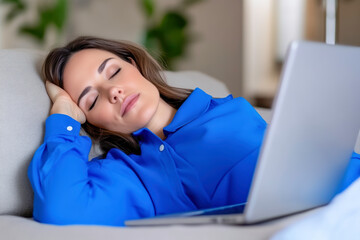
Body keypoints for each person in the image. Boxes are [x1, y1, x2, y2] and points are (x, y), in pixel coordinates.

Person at [27, 36, 268, 226]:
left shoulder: (229, 111)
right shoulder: (130, 174)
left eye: (114, 72)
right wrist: (64, 118)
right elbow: (60, 209)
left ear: (134, 64)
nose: (113, 92)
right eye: (91, 101)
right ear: (94, 125)